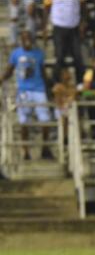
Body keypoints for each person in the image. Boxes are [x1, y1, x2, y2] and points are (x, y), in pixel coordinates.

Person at [0, 30, 52, 160]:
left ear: (32, 39)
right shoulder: (16, 54)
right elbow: (9, 70)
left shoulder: (39, 54)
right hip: (23, 91)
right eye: (24, 38)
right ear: (21, 40)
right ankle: (25, 150)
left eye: (29, 37)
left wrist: (49, 89)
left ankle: (45, 148)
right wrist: (1, 79)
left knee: (45, 120)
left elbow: (43, 72)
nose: (27, 40)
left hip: (39, 89)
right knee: (24, 121)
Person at [44, 0, 86, 85]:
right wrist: (45, 26)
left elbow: (82, 5)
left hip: (74, 27)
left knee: (78, 56)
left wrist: (83, 23)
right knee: (60, 56)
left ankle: (80, 83)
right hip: (59, 25)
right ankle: (56, 82)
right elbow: (47, 8)